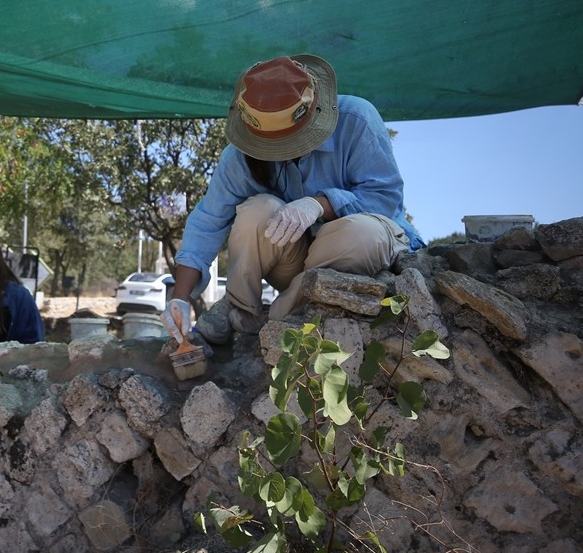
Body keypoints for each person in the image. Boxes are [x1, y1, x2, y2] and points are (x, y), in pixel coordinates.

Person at [162, 54, 424, 345]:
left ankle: (275, 322)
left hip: (358, 257)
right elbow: (207, 222)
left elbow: (384, 199)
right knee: (257, 212)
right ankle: (241, 313)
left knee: (359, 234)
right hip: (297, 267)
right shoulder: (239, 158)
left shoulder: (357, 120)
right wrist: (180, 297)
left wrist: (320, 205)